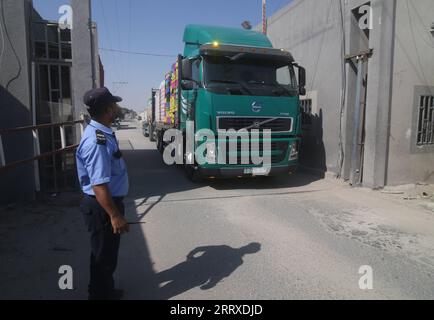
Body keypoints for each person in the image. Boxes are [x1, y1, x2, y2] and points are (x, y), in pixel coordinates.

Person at [76, 87, 130, 300]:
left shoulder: (102, 133)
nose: (117, 107)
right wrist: (115, 215)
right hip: (103, 207)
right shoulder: (97, 141)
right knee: (103, 257)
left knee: (106, 254)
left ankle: (105, 291)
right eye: (114, 104)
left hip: (105, 204)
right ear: (108, 109)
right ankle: (99, 295)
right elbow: (99, 185)